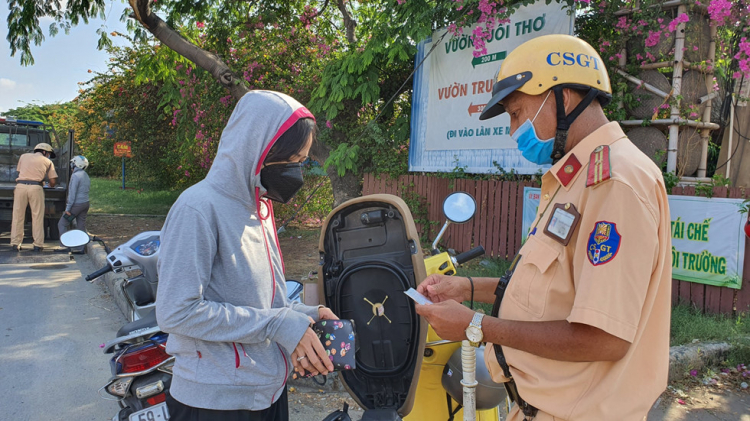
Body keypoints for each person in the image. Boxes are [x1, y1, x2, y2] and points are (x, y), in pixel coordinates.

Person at [415, 34, 671, 421]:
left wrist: (476, 326)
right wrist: (465, 288)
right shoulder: (576, 179)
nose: (514, 128)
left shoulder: (615, 183)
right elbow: (550, 292)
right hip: (535, 408)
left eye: (517, 113)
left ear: (563, 98)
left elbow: (604, 338)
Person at [156, 90, 337, 421]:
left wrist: (303, 315)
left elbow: (261, 304)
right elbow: (176, 312)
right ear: (257, 146)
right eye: (291, 160)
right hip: (214, 403)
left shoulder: (259, 209)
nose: (297, 171)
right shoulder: (197, 208)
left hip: (266, 394)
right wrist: (277, 323)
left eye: (302, 162)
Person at [10, 142, 58, 252]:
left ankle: (15, 243)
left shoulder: (23, 156)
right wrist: (47, 182)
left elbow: (20, 171)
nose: (49, 156)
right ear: (44, 152)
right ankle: (37, 244)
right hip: (36, 188)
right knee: (37, 216)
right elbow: (53, 181)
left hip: (20, 187)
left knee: (18, 216)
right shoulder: (47, 161)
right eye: (49, 153)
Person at [58, 155, 91, 252]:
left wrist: (68, 209)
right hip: (85, 203)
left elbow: (72, 194)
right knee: (81, 226)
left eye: (72, 163)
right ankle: (80, 248)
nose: (71, 166)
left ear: (76, 165)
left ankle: (65, 246)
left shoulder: (75, 176)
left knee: (62, 224)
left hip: (76, 205)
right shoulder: (85, 175)